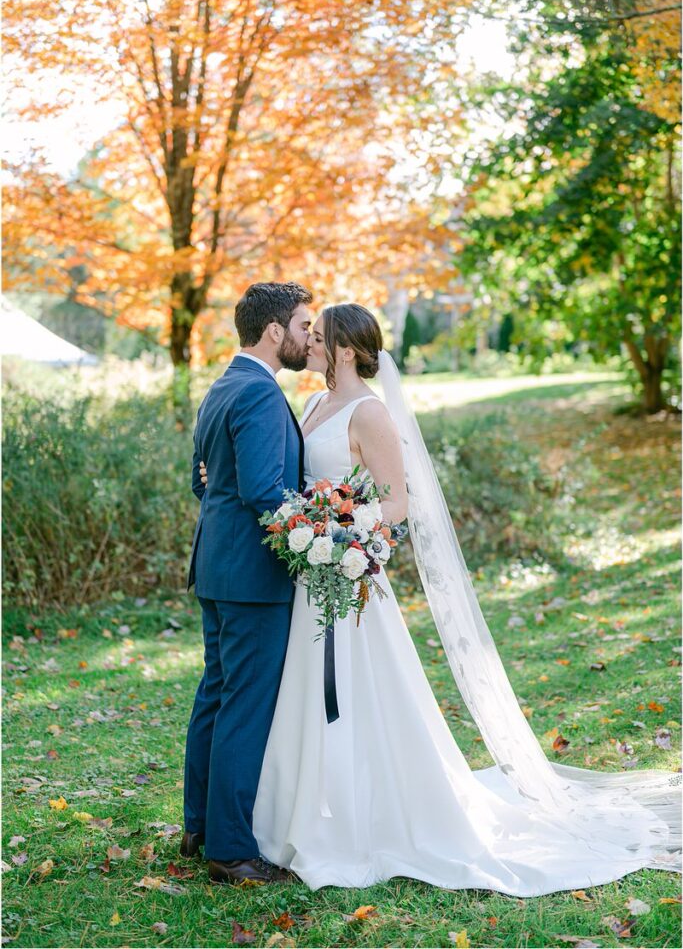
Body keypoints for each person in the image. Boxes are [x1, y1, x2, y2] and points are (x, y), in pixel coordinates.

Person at [202, 302, 682, 895]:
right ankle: (286, 817)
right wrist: (311, 527)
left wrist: (341, 532)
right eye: (310, 334)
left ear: (346, 350)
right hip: (309, 580)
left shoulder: (371, 413)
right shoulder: (310, 403)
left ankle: (358, 823)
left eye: (321, 338)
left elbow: (397, 503)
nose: (313, 345)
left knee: (357, 700)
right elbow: (288, 479)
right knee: (294, 700)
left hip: (347, 575)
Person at [182, 281, 312, 886]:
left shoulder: (222, 385)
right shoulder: (259, 393)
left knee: (215, 693)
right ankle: (232, 850)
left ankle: (199, 827)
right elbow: (263, 490)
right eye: (304, 326)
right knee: (243, 703)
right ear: (274, 332)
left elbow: (203, 482)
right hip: (254, 576)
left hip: (216, 567)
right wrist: (324, 532)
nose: (308, 336)